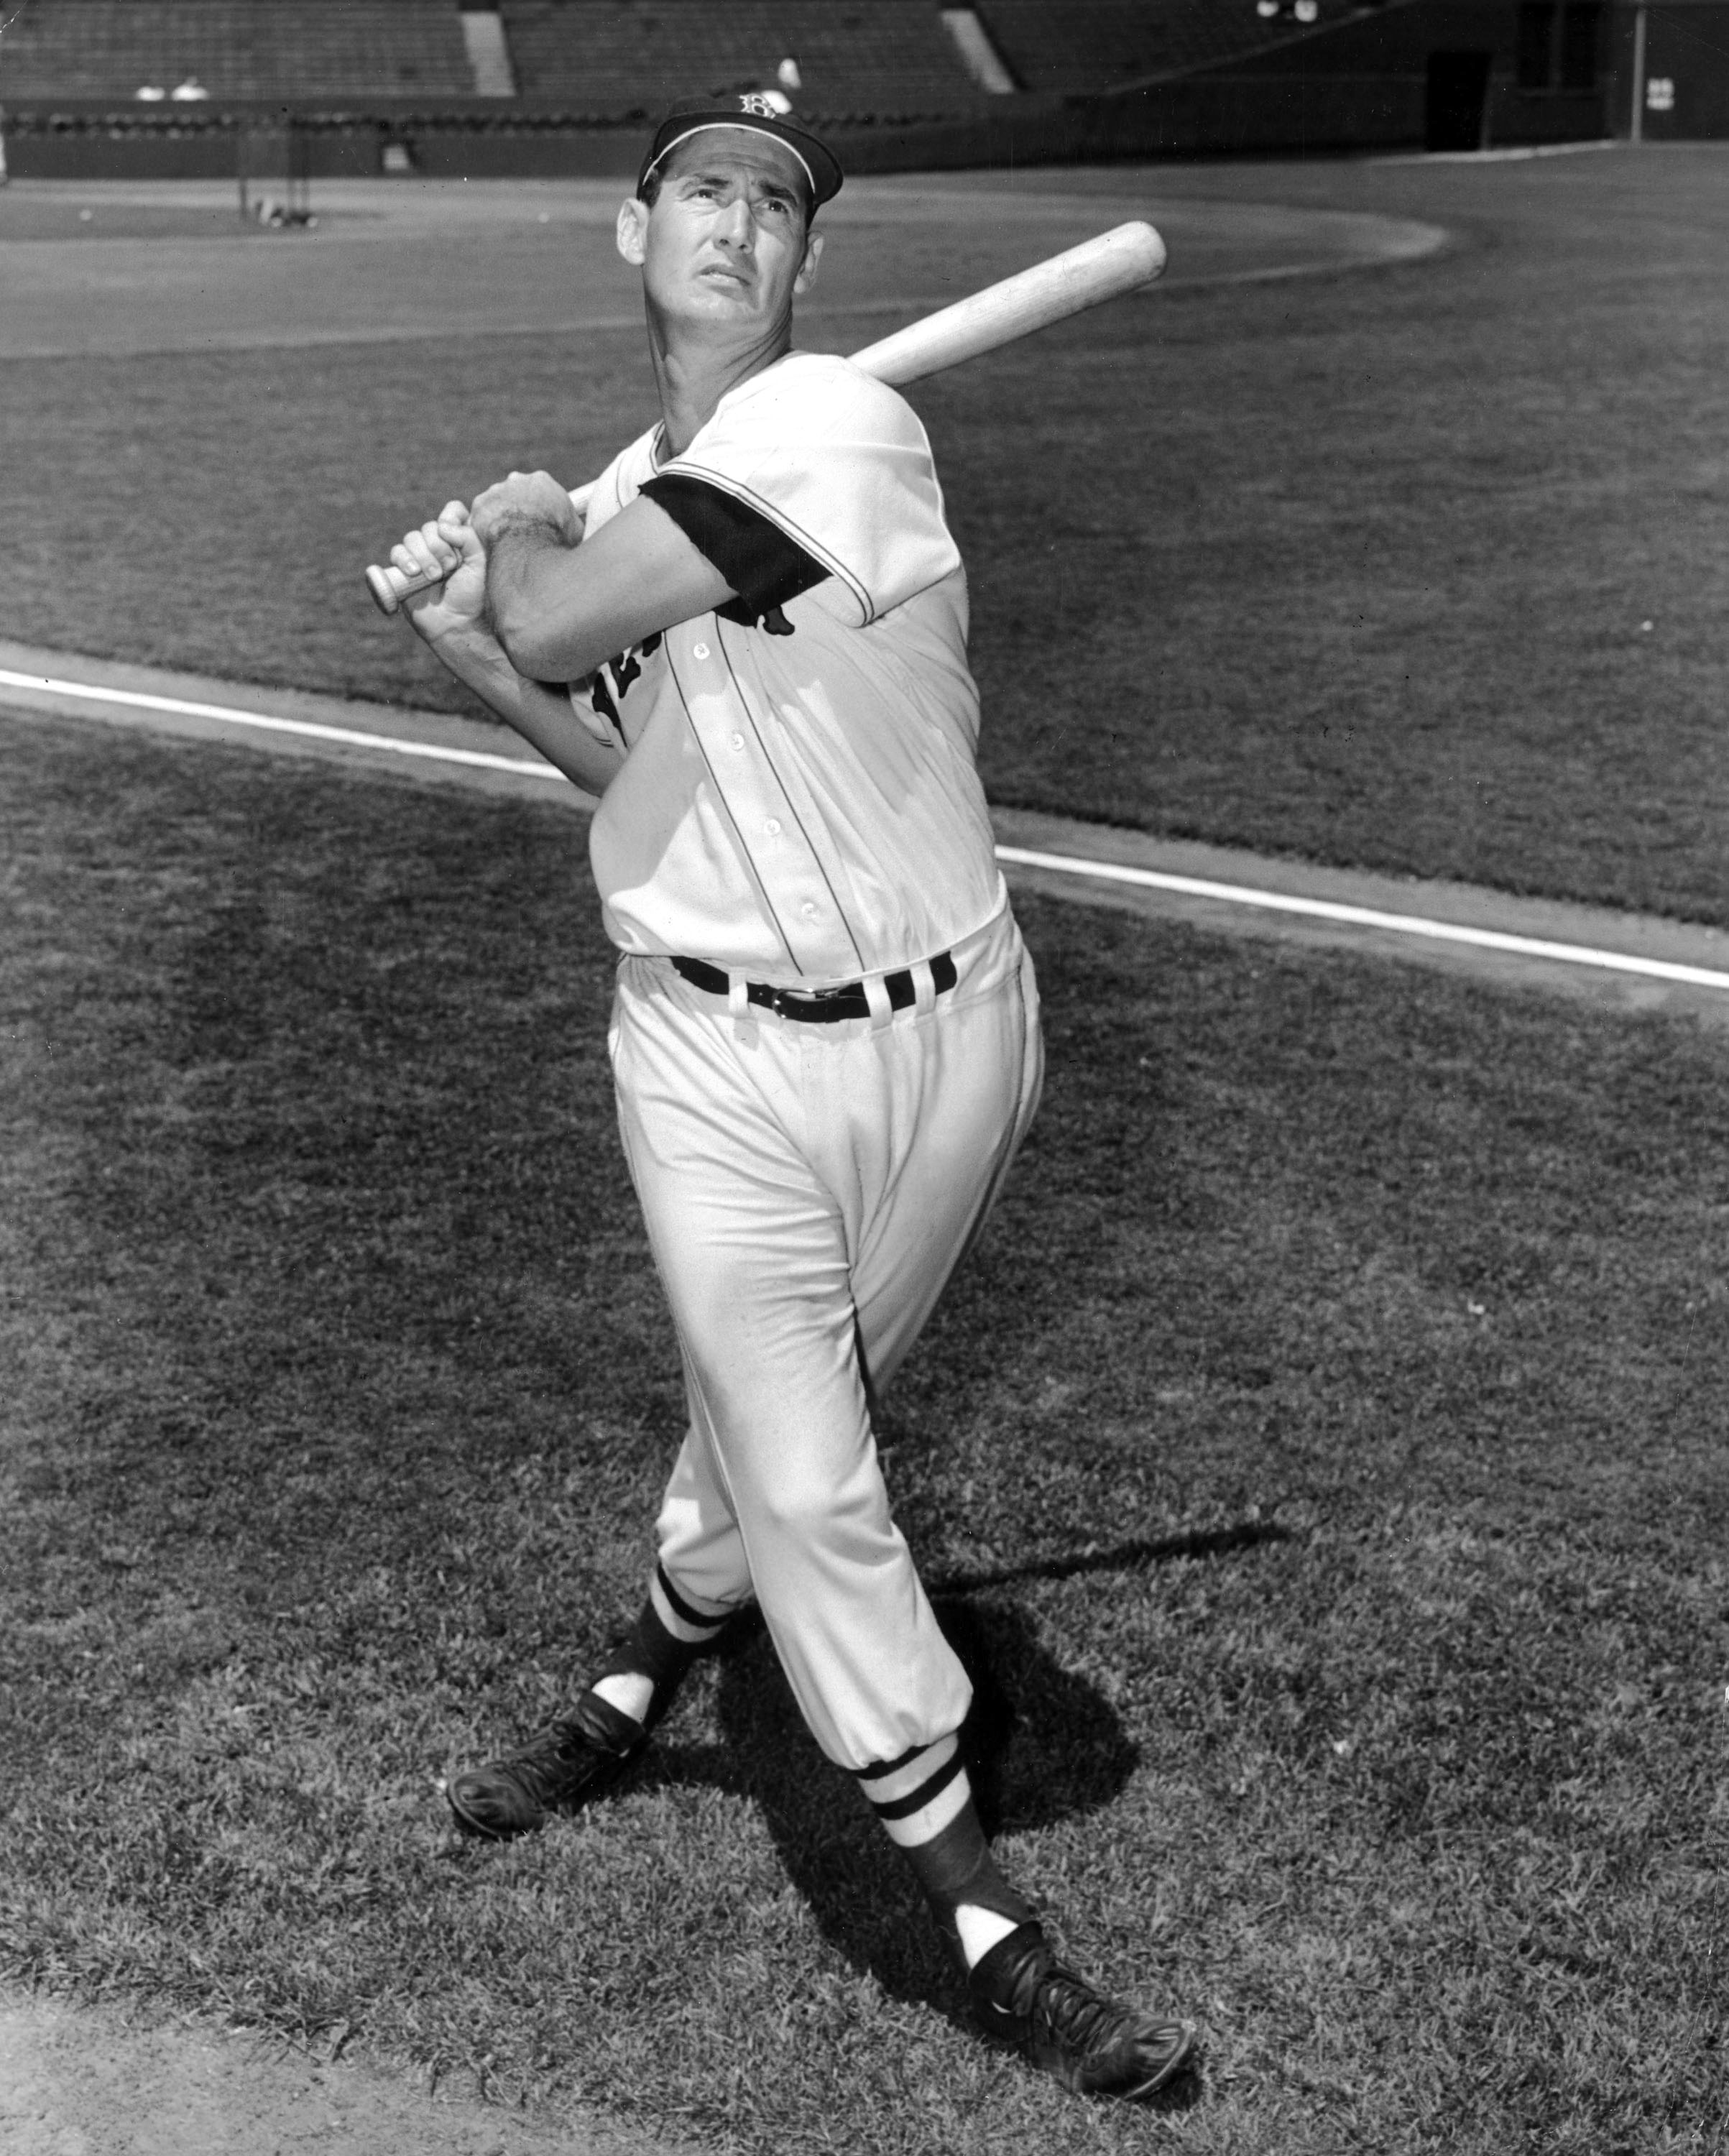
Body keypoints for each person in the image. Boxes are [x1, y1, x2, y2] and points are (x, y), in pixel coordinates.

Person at [386, 93, 1195, 2104]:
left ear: (806, 266)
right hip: (703, 1050)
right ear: (631, 235)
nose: (738, 224)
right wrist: (465, 646)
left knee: (770, 1439)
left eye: (775, 204)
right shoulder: (647, 496)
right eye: (701, 195)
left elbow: (575, 608)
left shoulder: (839, 420)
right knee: (818, 1476)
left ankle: (636, 1664)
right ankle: (989, 1921)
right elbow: (622, 762)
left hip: (953, 1043)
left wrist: (509, 542)